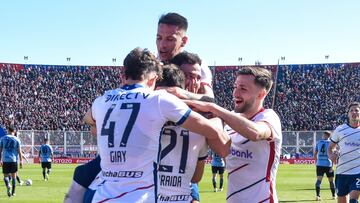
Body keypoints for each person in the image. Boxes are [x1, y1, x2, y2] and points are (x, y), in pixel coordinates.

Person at [81, 47, 228, 202]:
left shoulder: (102, 101)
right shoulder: (158, 101)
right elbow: (215, 137)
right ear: (153, 79)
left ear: (123, 75)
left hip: (103, 196)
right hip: (140, 197)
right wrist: (214, 113)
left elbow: (88, 120)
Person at [185, 66, 282, 203]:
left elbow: (255, 133)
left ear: (261, 94)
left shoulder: (269, 117)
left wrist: (213, 107)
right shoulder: (228, 122)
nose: (235, 93)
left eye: (243, 89)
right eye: (235, 87)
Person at [156, 12, 214, 99]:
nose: (162, 45)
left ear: (184, 41)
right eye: (159, 38)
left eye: (170, 39)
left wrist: (180, 93)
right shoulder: (149, 63)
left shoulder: (197, 65)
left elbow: (209, 98)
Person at [328, 102, 360, 203]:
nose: (354, 112)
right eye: (351, 110)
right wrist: (331, 155)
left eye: (357, 110)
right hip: (341, 172)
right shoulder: (340, 129)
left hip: (357, 172)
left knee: (353, 200)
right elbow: (330, 148)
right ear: (348, 114)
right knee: (342, 199)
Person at [0, 125, 23, 197]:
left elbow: (0, 151)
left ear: (8, 131)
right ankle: (13, 192)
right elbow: (19, 151)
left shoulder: (2, 139)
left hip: (5, 160)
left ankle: (8, 186)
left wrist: (0, 160)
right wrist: (21, 161)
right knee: (14, 177)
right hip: (13, 160)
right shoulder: (17, 139)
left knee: (6, 176)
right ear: (14, 131)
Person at [314, 131, 336, 201]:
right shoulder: (331, 143)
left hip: (320, 164)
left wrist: (317, 161)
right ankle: (333, 196)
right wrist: (332, 166)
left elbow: (315, 154)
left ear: (325, 135)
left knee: (319, 180)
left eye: (323, 135)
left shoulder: (319, 142)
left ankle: (318, 196)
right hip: (328, 164)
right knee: (331, 181)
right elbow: (333, 155)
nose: (323, 136)